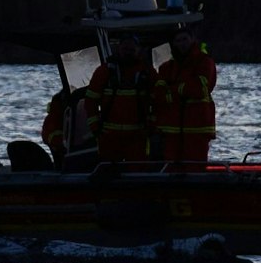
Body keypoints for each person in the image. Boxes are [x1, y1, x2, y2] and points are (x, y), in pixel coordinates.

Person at [152, 29, 218, 166]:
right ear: (173, 44)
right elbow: (158, 94)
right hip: (171, 130)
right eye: (178, 41)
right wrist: (181, 90)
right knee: (170, 169)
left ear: (192, 40)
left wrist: (172, 91)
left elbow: (199, 89)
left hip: (197, 129)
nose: (182, 44)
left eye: (184, 39)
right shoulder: (166, 67)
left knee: (195, 168)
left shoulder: (205, 62)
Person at [84, 36, 155, 162]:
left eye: (132, 49)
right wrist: (95, 127)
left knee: (138, 172)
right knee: (108, 170)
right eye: (125, 48)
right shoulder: (104, 71)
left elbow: (158, 102)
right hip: (109, 135)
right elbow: (90, 101)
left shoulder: (148, 72)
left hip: (138, 135)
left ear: (138, 50)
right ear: (118, 49)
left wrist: (151, 125)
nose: (128, 52)